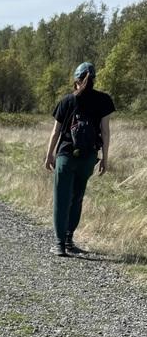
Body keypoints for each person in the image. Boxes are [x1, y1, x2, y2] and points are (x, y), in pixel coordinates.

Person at [44, 61, 114, 256]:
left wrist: (49, 155)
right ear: (93, 80)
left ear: (76, 80)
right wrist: (105, 159)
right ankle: (68, 240)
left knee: (61, 199)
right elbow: (106, 132)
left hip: (66, 155)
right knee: (77, 198)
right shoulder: (104, 100)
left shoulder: (67, 101)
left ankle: (59, 244)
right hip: (88, 157)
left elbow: (56, 131)